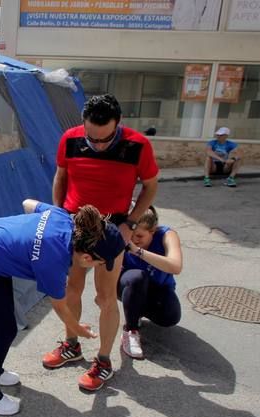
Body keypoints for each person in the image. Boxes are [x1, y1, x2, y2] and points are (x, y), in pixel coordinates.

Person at [0, 200, 125, 415]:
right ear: (86, 257)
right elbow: (59, 305)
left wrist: (26, 237)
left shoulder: (65, 219)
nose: (100, 267)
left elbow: (28, 203)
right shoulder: (54, 262)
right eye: (100, 263)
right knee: (5, 328)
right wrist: (77, 329)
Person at [49, 93, 159, 391]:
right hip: (74, 224)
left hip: (113, 227)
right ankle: (72, 345)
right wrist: (59, 215)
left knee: (105, 297)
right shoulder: (70, 138)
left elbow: (150, 187)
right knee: (71, 288)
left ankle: (104, 361)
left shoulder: (138, 145)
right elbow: (60, 177)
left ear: (118, 124)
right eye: (91, 138)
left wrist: (130, 223)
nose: (97, 144)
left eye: (104, 139)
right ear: (83, 124)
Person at [119, 206, 183, 359]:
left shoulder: (167, 235)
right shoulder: (124, 235)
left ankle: (136, 309)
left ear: (153, 231)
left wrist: (138, 251)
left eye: (140, 236)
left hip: (158, 287)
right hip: (129, 284)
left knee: (170, 317)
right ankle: (131, 331)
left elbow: (176, 266)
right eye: (132, 235)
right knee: (137, 277)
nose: (134, 239)